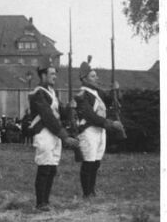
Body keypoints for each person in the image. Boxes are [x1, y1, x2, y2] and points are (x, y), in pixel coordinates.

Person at [27, 58, 79, 211]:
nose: (55, 76)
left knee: (52, 168)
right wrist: (64, 135)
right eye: (51, 74)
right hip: (44, 131)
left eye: (55, 74)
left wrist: (69, 108)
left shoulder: (52, 92)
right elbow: (47, 116)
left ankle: (46, 201)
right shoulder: (38, 93)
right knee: (44, 167)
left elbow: (59, 112)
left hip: (54, 133)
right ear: (42, 75)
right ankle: (40, 203)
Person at [74, 58, 124, 199]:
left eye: (96, 76)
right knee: (89, 162)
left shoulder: (97, 93)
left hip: (100, 130)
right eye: (93, 76)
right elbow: (90, 116)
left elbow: (110, 100)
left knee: (96, 162)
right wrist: (110, 124)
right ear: (84, 79)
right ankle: (86, 193)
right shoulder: (82, 95)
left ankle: (92, 190)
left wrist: (115, 90)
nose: (97, 78)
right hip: (89, 130)